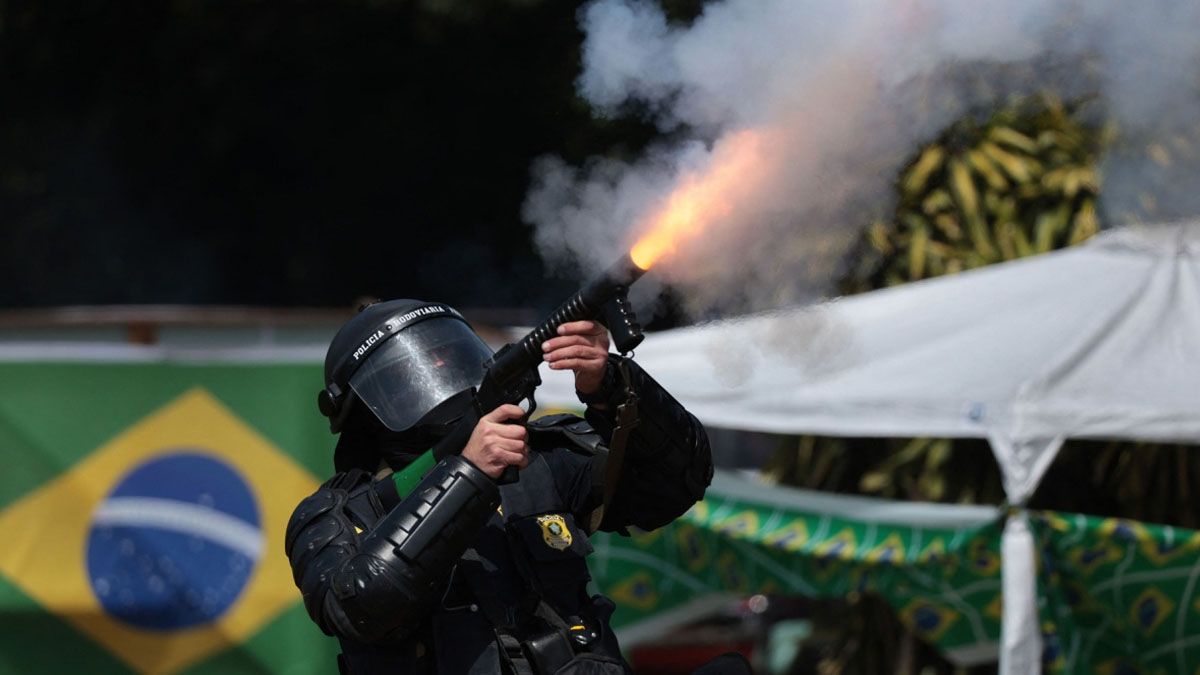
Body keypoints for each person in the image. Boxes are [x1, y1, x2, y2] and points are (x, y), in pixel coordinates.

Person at [285, 299, 716, 674]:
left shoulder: (535, 457)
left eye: (447, 357)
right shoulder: (335, 515)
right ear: (363, 408)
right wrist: (468, 473)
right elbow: (359, 606)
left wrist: (610, 385)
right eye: (408, 372)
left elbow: (677, 484)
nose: (438, 370)